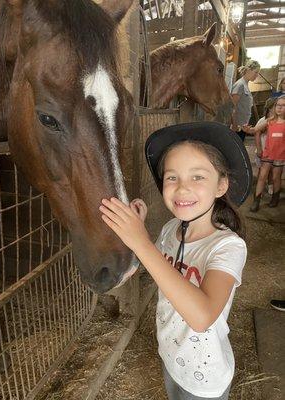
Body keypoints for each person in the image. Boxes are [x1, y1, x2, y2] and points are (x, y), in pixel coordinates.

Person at [100, 121, 253, 399]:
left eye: (198, 177)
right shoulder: (172, 229)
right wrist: (141, 231)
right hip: (171, 356)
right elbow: (152, 265)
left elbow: (202, 317)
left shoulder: (228, 246)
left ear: (221, 185)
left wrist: (140, 241)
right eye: (172, 177)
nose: (182, 188)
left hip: (206, 379)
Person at [249, 95, 285, 212]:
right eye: (278, 105)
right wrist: (247, 129)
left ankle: (275, 198)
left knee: (276, 178)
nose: (280, 108)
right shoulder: (269, 121)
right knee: (262, 177)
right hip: (267, 155)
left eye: (283, 106)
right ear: (274, 107)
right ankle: (256, 201)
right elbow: (256, 130)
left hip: (280, 156)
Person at [231, 60, 260, 142]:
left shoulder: (245, 85)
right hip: (237, 127)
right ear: (249, 70)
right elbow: (232, 106)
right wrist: (234, 125)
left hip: (243, 126)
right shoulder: (240, 85)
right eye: (256, 72)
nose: (257, 75)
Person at [254, 97, 276, 195]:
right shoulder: (263, 120)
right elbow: (257, 134)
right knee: (262, 171)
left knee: (272, 170)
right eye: (276, 106)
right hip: (263, 148)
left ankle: (270, 185)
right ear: (270, 108)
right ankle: (260, 190)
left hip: (274, 150)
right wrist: (259, 149)